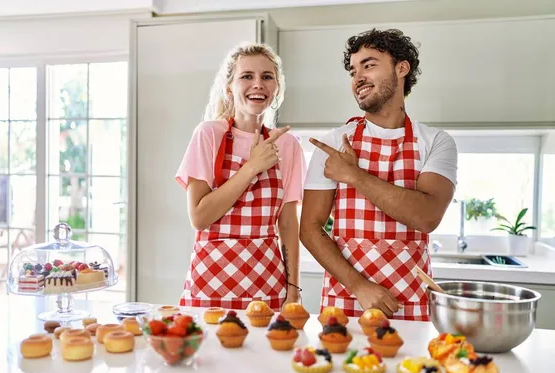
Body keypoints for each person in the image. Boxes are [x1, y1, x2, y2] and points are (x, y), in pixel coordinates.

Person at [300, 29, 458, 321]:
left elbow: (427, 216)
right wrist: (358, 285)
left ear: (401, 68)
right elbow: (309, 228)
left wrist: (354, 175)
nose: (357, 77)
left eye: (369, 65)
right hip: (346, 299)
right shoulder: (334, 142)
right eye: (353, 71)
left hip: (408, 300)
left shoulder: (436, 141)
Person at [175, 42, 306, 311]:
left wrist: (293, 289)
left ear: (276, 88)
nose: (258, 84)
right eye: (247, 76)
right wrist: (252, 167)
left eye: (267, 77)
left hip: (268, 283)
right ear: (229, 88)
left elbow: (288, 223)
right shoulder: (209, 135)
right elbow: (200, 217)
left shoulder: (287, 145)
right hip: (212, 282)